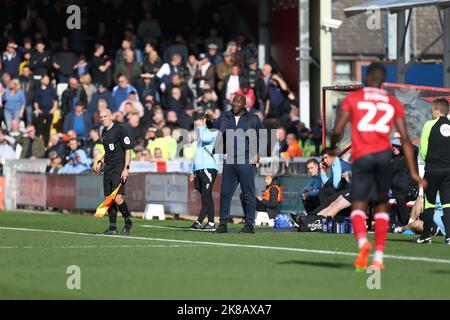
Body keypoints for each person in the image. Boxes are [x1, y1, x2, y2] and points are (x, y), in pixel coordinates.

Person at [331, 63, 424, 270]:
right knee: (381, 206)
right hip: (383, 158)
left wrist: (331, 147)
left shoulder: (353, 98)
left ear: (367, 79)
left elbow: (337, 129)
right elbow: (406, 141)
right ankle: (379, 257)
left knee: (359, 205)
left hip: (363, 156)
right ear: (383, 82)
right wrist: (414, 173)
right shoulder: (392, 102)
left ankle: (363, 243)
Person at [213, 94, 265, 233]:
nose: (235, 103)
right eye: (234, 101)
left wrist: (258, 153)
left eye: (238, 101)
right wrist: (209, 121)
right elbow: (213, 128)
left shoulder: (253, 118)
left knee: (248, 193)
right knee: (225, 192)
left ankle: (249, 224)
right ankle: (223, 224)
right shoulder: (225, 116)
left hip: (247, 160)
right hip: (230, 160)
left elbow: (263, 135)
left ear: (244, 104)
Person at [93, 109, 134, 236]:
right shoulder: (104, 133)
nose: (103, 119)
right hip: (108, 167)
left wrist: (126, 168)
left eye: (105, 116)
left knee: (117, 197)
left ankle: (128, 222)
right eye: (101, 117)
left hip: (119, 167)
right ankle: (112, 228)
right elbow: (108, 152)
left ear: (111, 116)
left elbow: (128, 149)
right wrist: (100, 162)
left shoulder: (120, 130)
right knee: (108, 199)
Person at [418, 98, 450, 244]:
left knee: (429, 203)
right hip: (448, 170)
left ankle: (426, 235)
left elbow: (423, 148)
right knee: (447, 203)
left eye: (432, 110)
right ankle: (449, 236)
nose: (431, 112)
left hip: (432, 169)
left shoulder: (429, 124)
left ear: (437, 110)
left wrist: (429, 160)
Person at [189, 113, 219, 231]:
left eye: (199, 122)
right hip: (200, 168)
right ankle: (211, 223)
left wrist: (202, 128)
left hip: (209, 168)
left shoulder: (213, 132)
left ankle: (199, 221)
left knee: (206, 196)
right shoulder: (200, 134)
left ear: (204, 121)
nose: (197, 125)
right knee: (207, 197)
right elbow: (197, 154)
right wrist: (193, 170)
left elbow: (206, 139)